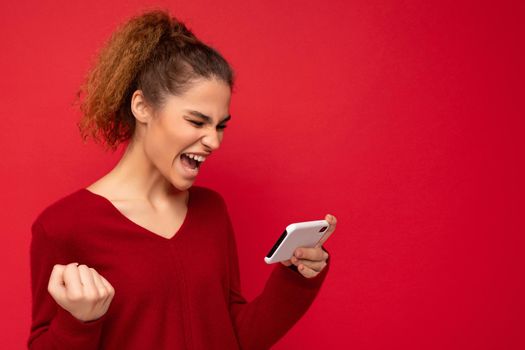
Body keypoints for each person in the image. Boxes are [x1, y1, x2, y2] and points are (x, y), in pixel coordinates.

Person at [28, 8, 336, 350]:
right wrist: (78, 323)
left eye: (220, 126)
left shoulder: (212, 211)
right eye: (197, 121)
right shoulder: (63, 226)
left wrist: (297, 279)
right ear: (143, 107)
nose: (214, 141)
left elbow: (236, 337)